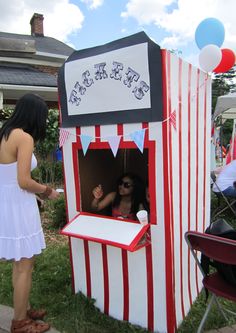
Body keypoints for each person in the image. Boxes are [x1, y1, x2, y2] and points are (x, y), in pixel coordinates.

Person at [0, 94, 60, 333]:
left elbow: (9, 177)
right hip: (19, 207)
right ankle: (21, 323)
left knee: (19, 263)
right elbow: (24, 180)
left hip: (8, 203)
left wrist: (29, 193)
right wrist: (47, 191)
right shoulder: (24, 138)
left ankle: (21, 309)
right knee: (25, 265)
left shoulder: (4, 133)